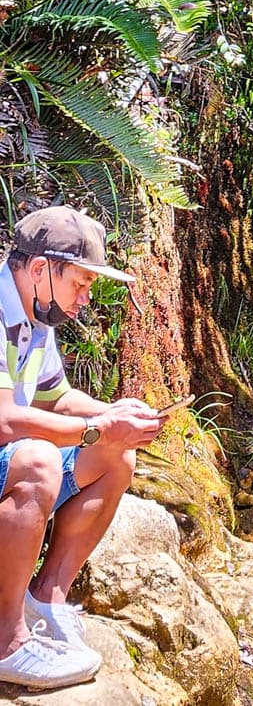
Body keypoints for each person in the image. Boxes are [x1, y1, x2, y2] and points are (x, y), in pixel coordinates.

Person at [0, 206, 163, 690]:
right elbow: (5, 420)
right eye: (81, 284)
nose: (86, 299)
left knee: (117, 454)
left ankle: (46, 598)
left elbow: (58, 398)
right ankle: (7, 641)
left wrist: (115, 416)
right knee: (39, 459)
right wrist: (95, 427)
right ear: (39, 269)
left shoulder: (36, 316)